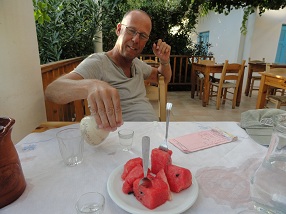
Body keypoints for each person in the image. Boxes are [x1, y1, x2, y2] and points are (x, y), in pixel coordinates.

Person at [45, 9, 172, 131]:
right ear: (119, 29)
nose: (135, 39)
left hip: (152, 132)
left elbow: (163, 78)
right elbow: (53, 91)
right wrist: (91, 86)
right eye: (131, 30)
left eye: (143, 35)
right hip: (121, 140)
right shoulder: (98, 63)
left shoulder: (137, 64)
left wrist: (164, 61)